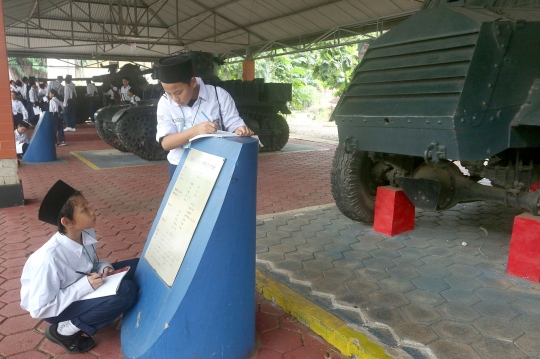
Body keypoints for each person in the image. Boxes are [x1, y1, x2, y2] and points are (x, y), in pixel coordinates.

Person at [20, 180, 139, 354]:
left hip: (86, 283)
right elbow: (39, 309)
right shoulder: (49, 259)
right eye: (84, 210)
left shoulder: (85, 232)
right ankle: (65, 330)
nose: (92, 211)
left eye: (87, 205)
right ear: (67, 222)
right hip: (57, 308)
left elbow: (92, 262)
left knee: (137, 266)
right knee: (127, 290)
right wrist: (84, 286)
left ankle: (98, 308)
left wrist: (103, 268)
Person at [155, 55, 254, 178]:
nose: (174, 99)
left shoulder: (219, 96)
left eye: (179, 92)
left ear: (192, 82)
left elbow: (234, 123)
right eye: (168, 93)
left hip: (214, 164)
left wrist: (240, 129)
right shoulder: (165, 102)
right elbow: (166, 144)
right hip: (179, 165)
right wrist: (196, 131)